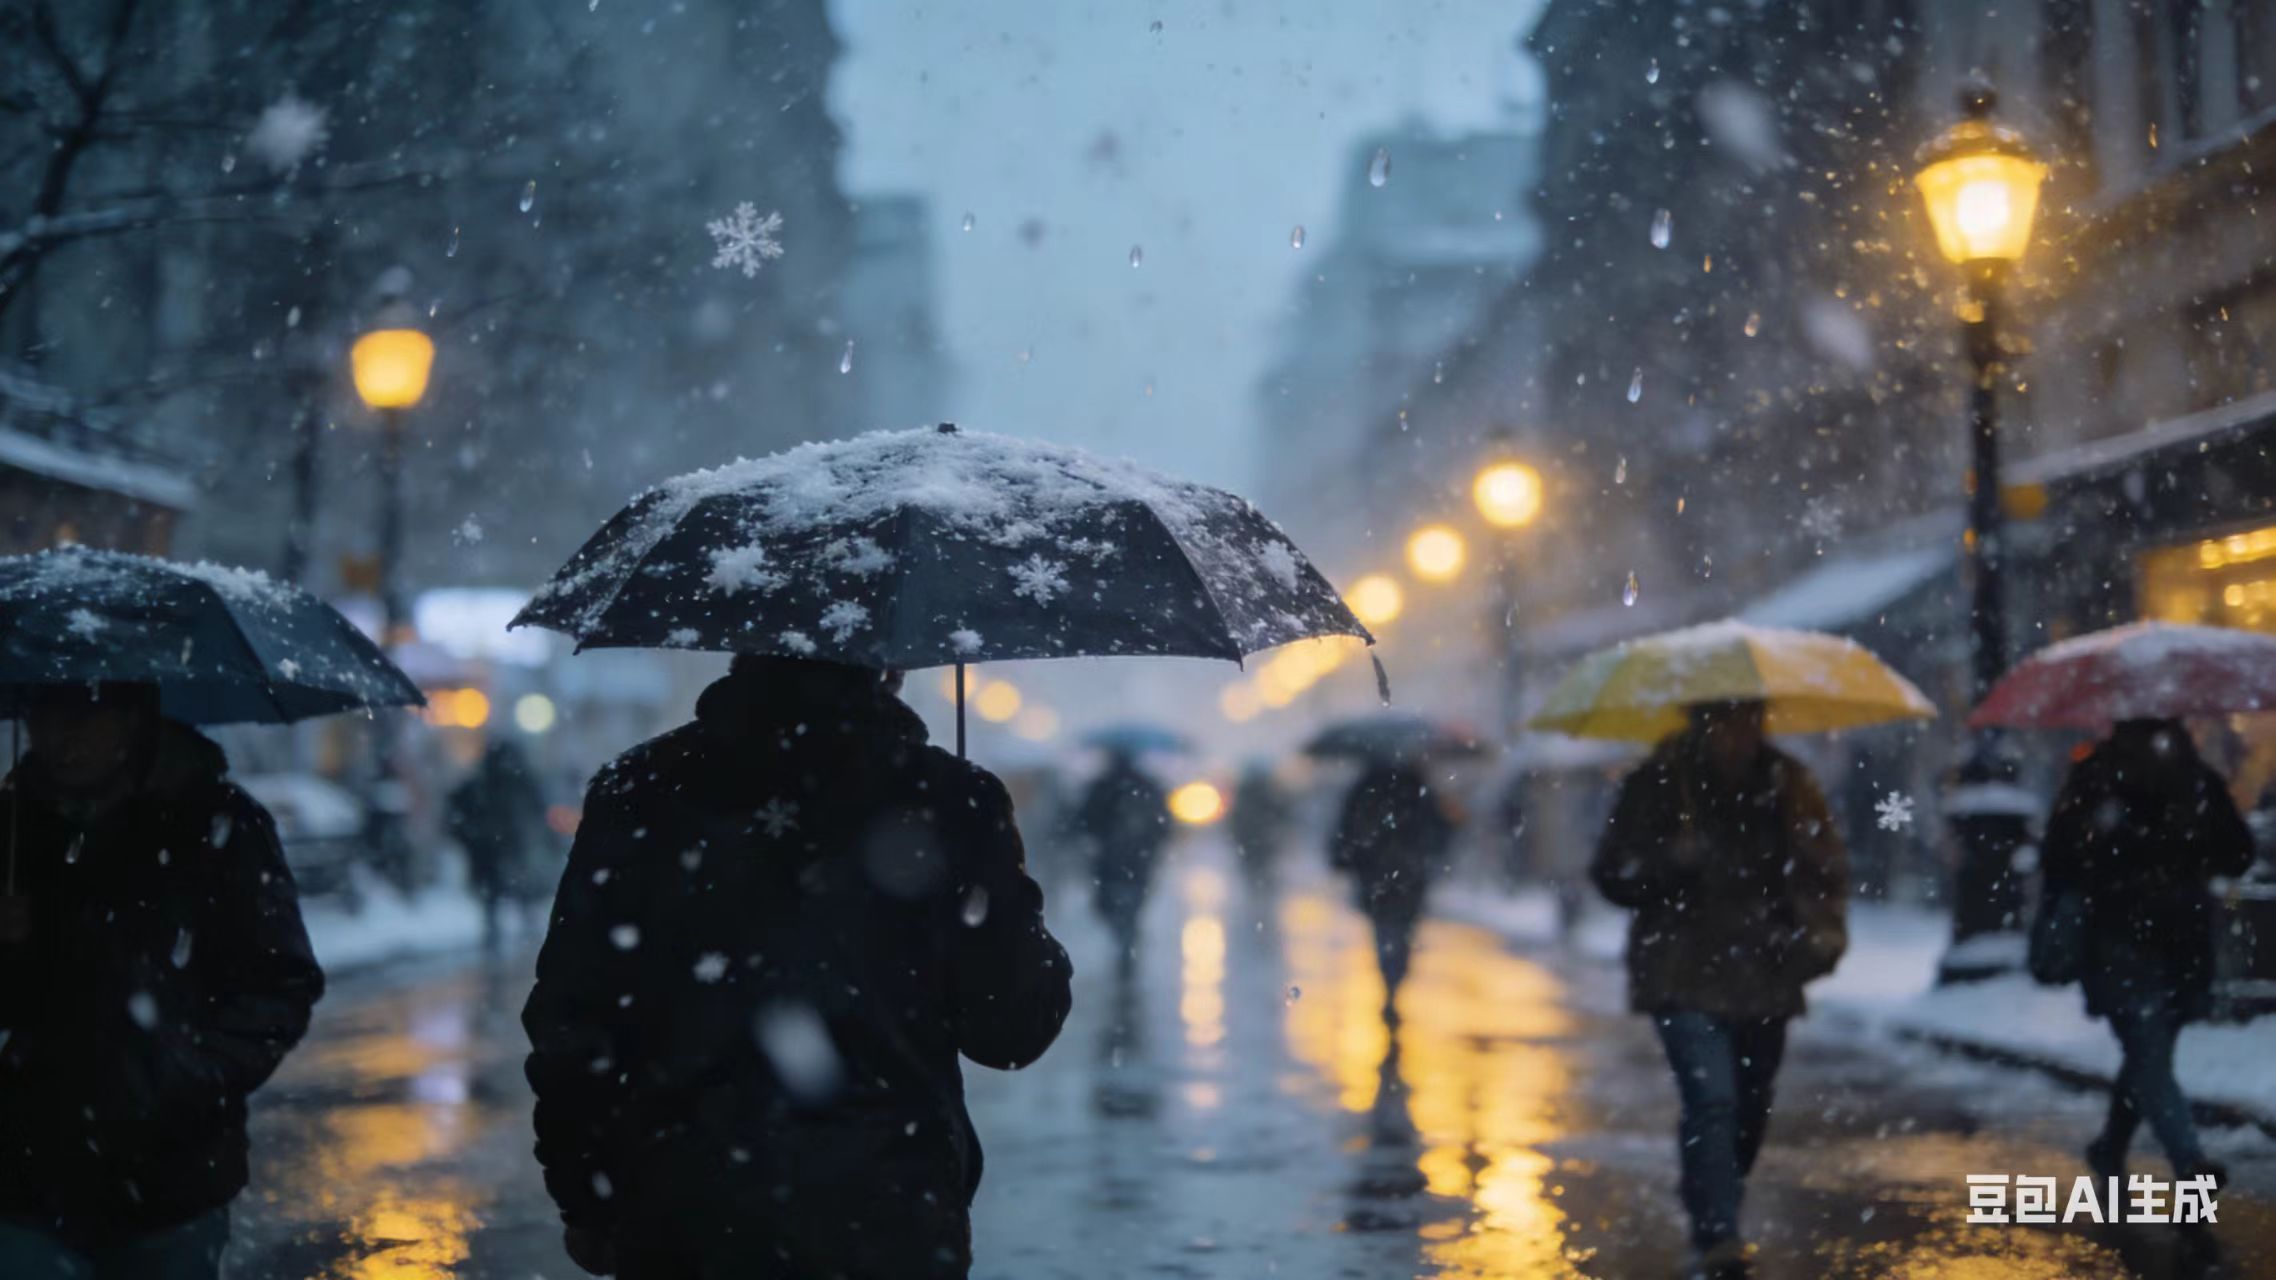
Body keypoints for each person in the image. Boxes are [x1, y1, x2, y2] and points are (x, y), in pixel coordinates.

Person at [522, 655, 1072, 1280]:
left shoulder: (640, 789)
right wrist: (1012, 924)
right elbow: (1010, 1032)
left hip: (682, 1206)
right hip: (889, 1213)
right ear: (887, 663)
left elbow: (573, 1018)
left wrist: (586, 1196)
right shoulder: (950, 799)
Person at [0, 683, 324, 1280]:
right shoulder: (14, 826)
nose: (61, 737)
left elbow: (279, 982)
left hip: (171, 1181)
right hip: (25, 1177)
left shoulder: (216, 823)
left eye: (82, 715)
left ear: (131, 718)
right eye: (43, 715)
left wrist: (188, 1075)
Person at [1589, 699, 1846, 1279]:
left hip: (1766, 972)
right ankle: (1717, 1234)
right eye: (1728, 722)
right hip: (1681, 973)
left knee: (1750, 1110)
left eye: (1751, 720)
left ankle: (1710, 1193)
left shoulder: (1788, 783)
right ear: (1702, 722)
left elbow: (1824, 866)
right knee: (1712, 1101)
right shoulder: (1658, 782)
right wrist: (1667, 863)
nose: (1741, 734)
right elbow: (1611, 872)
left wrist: (1816, 935)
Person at [2039, 717, 2253, 1189]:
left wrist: (2110, 859)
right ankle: (2188, 1162)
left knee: (2145, 1056)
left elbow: (2057, 856)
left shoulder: (2097, 776)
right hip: (2183, 940)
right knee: (2150, 1055)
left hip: (2116, 938)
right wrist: (2187, 854)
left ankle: (2114, 1149)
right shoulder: (2195, 778)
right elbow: (2238, 853)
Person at [1328, 761, 1456, 1019]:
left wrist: (1348, 856)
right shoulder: (1416, 785)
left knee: (1386, 934)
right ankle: (1394, 982)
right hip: (1408, 877)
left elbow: (1348, 829)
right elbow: (1438, 831)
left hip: (1379, 876)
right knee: (1401, 934)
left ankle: (1390, 982)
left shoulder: (1368, 785)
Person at [446, 737, 549, 949]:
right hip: (502, 847)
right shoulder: (513, 783)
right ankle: (519, 929)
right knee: (513, 889)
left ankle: (505, 930)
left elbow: (456, 817)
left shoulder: (484, 784)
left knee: (496, 893)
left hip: (492, 848)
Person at [1074, 750, 1170, 973]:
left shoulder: (1102, 785)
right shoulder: (1148, 786)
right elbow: (1163, 824)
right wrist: (1153, 846)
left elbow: (1083, 820)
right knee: (1132, 904)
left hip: (1109, 861)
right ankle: (1128, 939)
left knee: (1109, 904)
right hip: (1139, 860)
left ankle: (1125, 940)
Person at [1228, 762, 1291, 901]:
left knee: (1254, 868)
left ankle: (1257, 891)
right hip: (1261, 839)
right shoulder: (1269, 792)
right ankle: (1262, 892)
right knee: (1262, 868)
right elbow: (1280, 814)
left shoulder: (1244, 794)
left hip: (1251, 840)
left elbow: (1235, 818)